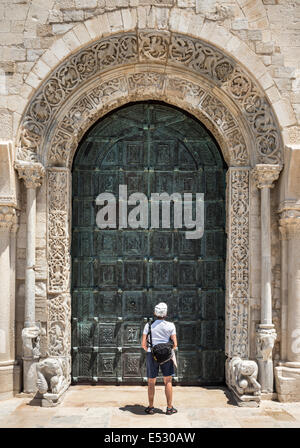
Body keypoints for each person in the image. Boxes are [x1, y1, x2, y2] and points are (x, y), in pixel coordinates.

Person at [141, 302, 178, 415]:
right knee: (168, 381)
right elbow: (175, 344)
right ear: (166, 313)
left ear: (154, 313)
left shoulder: (148, 325)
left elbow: (143, 344)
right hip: (167, 356)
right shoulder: (171, 325)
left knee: (151, 381)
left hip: (151, 354)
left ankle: (151, 407)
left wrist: (151, 350)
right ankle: (169, 408)